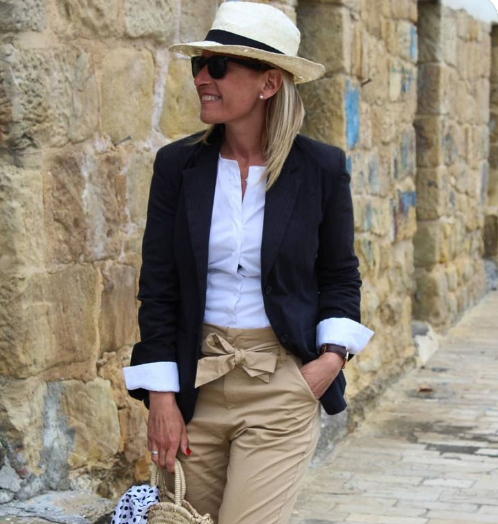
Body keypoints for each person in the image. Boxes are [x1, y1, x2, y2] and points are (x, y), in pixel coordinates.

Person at [123, 2, 373, 523]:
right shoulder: (177, 166)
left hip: (281, 384)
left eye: (218, 67)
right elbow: (160, 287)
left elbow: (339, 274)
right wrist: (162, 399)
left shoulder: (321, 169)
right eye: (199, 65)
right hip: (197, 384)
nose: (201, 79)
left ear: (269, 84)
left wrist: (329, 361)